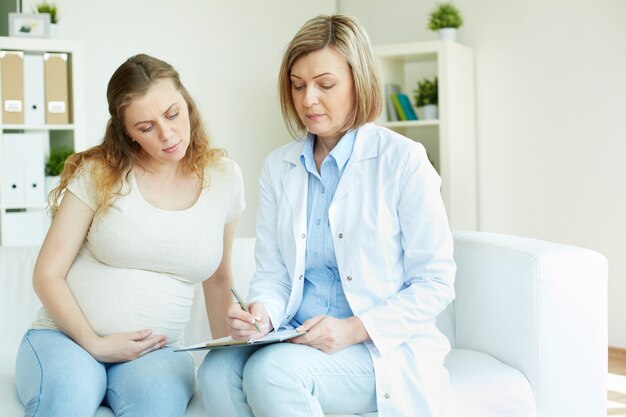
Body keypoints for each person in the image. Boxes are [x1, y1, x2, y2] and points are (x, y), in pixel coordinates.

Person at [199, 14, 455, 417]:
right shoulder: (278, 167)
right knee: (215, 373)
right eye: (298, 86)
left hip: (377, 349)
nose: (308, 100)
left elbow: (435, 283)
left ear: (359, 81)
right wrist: (261, 314)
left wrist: (352, 329)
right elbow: (274, 275)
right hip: (296, 337)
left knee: (273, 373)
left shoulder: (404, 160)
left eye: (326, 84)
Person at [14, 54, 245, 417]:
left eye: (173, 113)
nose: (168, 135)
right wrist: (95, 344)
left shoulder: (224, 178)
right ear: (126, 131)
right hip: (65, 340)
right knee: (67, 397)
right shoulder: (99, 172)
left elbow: (218, 280)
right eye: (146, 127)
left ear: (187, 103)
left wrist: (229, 361)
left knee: (157, 404)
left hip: (154, 353)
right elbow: (47, 274)